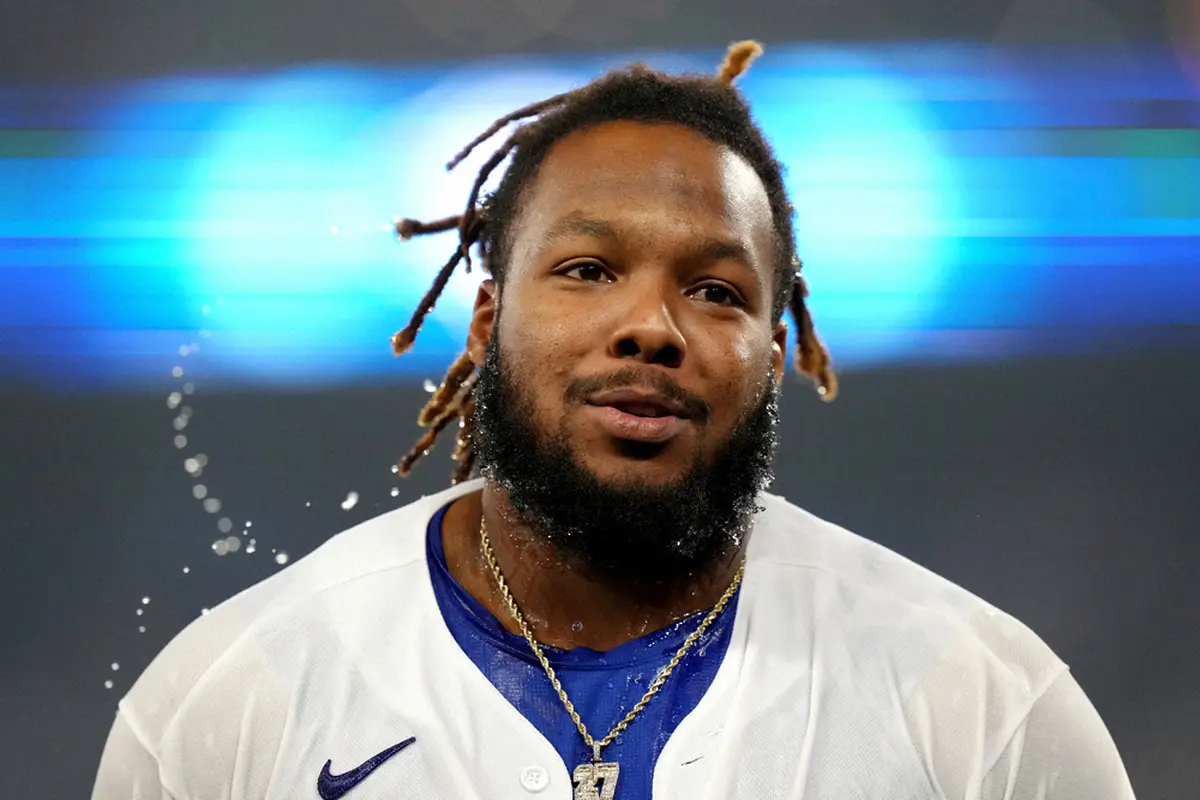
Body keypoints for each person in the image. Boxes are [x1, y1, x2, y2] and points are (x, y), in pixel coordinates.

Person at [92, 42, 1136, 800]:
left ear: (773, 354)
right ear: (487, 322)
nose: (651, 326)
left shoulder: (984, 706)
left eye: (716, 291)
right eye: (588, 270)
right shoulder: (230, 697)